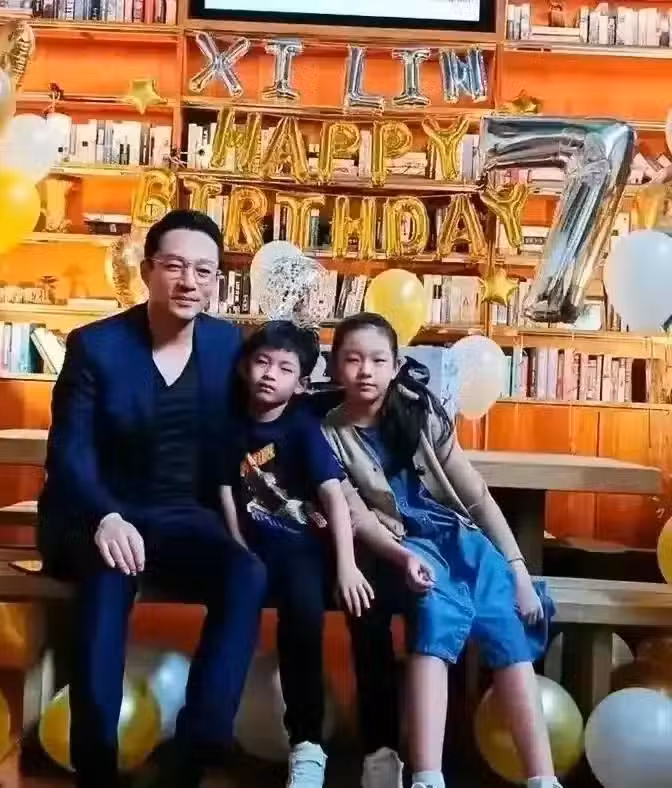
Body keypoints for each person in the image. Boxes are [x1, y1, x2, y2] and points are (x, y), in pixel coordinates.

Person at [37, 209, 268, 788]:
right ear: (147, 272)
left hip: (183, 516)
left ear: (217, 281)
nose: (189, 281)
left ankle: (194, 752)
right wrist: (105, 516)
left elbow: (262, 417)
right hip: (101, 512)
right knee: (107, 577)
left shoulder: (225, 343)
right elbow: (68, 452)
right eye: (175, 266)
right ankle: (96, 766)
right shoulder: (96, 346)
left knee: (246, 572)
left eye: (204, 271)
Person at [322, 313, 560, 788]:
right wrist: (403, 557)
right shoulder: (330, 432)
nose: (365, 371)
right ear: (334, 367)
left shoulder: (422, 413)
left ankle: (543, 778)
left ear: (396, 366)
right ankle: (428, 776)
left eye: (378, 360)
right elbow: (358, 516)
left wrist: (517, 570)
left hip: (460, 538)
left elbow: (477, 497)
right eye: (353, 359)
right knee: (434, 611)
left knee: (507, 618)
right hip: (401, 544)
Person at [220, 321, 373, 788]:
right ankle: (212, 731)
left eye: (285, 368)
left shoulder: (302, 429)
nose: (270, 374)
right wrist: (238, 546)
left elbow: (334, 498)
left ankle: (307, 744)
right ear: (245, 367)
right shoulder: (228, 425)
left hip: (301, 550)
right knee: (230, 611)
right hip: (250, 551)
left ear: (302, 384)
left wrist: (346, 566)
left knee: (304, 617)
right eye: (262, 362)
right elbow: (225, 490)